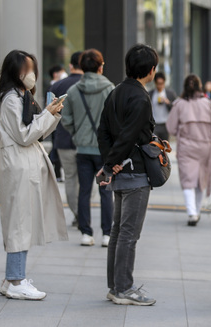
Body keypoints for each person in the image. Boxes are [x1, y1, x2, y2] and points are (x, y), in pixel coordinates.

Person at [0, 50, 67, 300]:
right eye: (28, 69)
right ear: (16, 71)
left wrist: (49, 113)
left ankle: (13, 277)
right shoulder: (11, 99)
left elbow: (34, 130)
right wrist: (48, 114)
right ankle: (16, 279)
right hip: (18, 166)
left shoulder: (19, 96)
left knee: (21, 222)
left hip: (22, 166)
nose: (32, 74)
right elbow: (25, 135)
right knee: (19, 224)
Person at [98, 44, 158, 306]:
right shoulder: (141, 98)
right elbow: (129, 135)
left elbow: (103, 132)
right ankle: (124, 289)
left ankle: (115, 286)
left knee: (118, 232)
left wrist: (110, 162)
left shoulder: (115, 92)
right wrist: (115, 162)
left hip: (122, 172)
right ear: (151, 70)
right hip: (135, 174)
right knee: (129, 235)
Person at [62, 49, 115, 247]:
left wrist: (76, 133)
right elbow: (115, 119)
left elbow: (65, 119)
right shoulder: (109, 88)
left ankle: (86, 233)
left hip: (83, 151)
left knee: (84, 191)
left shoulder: (74, 91)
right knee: (105, 190)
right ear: (101, 67)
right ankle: (107, 234)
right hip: (103, 153)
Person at [166, 75, 211, 226]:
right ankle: (197, 210)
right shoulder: (208, 104)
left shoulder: (179, 104)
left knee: (187, 179)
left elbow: (171, 127)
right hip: (204, 145)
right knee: (201, 179)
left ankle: (192, 213)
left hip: (186, 146)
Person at [50, 51, 83, 227]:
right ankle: (83, 213)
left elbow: (48, 111)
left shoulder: (57, 85)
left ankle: (77, 213)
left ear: (70, 66)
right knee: (87, 179)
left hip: (63, 139)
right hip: (87, 141)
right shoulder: (89, 85)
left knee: (70, 178)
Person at [147, 72, 177, 141]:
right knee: (155, 145)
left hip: (165, 124)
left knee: (165, 146)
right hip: (154, 125)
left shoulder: (170, 93)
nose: (160, 85)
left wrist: (168, 103)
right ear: (155, 83)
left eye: (162, 83)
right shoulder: (150, 94)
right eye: (158, 83)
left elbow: (175, 108)